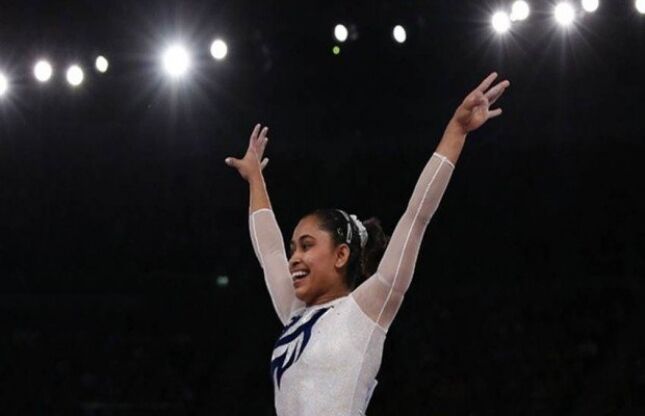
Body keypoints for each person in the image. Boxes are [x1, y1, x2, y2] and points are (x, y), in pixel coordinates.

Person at [225, 72, 510, 415]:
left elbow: (416, 217)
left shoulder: (365, 311)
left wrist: (456, 131)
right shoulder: (295, 314)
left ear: (341, 255)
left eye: (306, 245)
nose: (294, 258)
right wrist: (255, 178)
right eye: (294, 248)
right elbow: (269, 250)